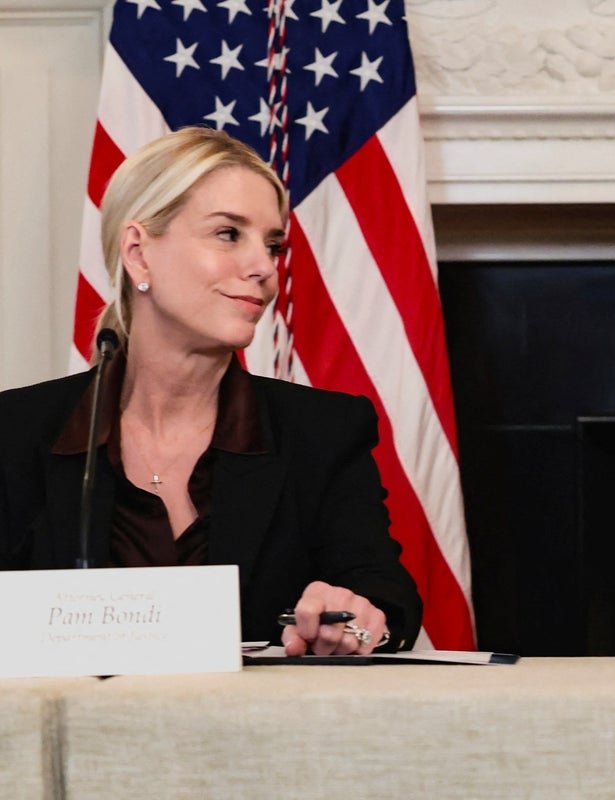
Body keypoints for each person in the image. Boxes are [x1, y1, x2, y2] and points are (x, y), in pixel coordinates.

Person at [0, 127, 421, 655]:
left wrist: (355, 616)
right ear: (139, 253)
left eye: (272, 245)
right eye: (228, 234)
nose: (264, 268)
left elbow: (386, 598)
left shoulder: (324, 432)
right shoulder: (14, 432)